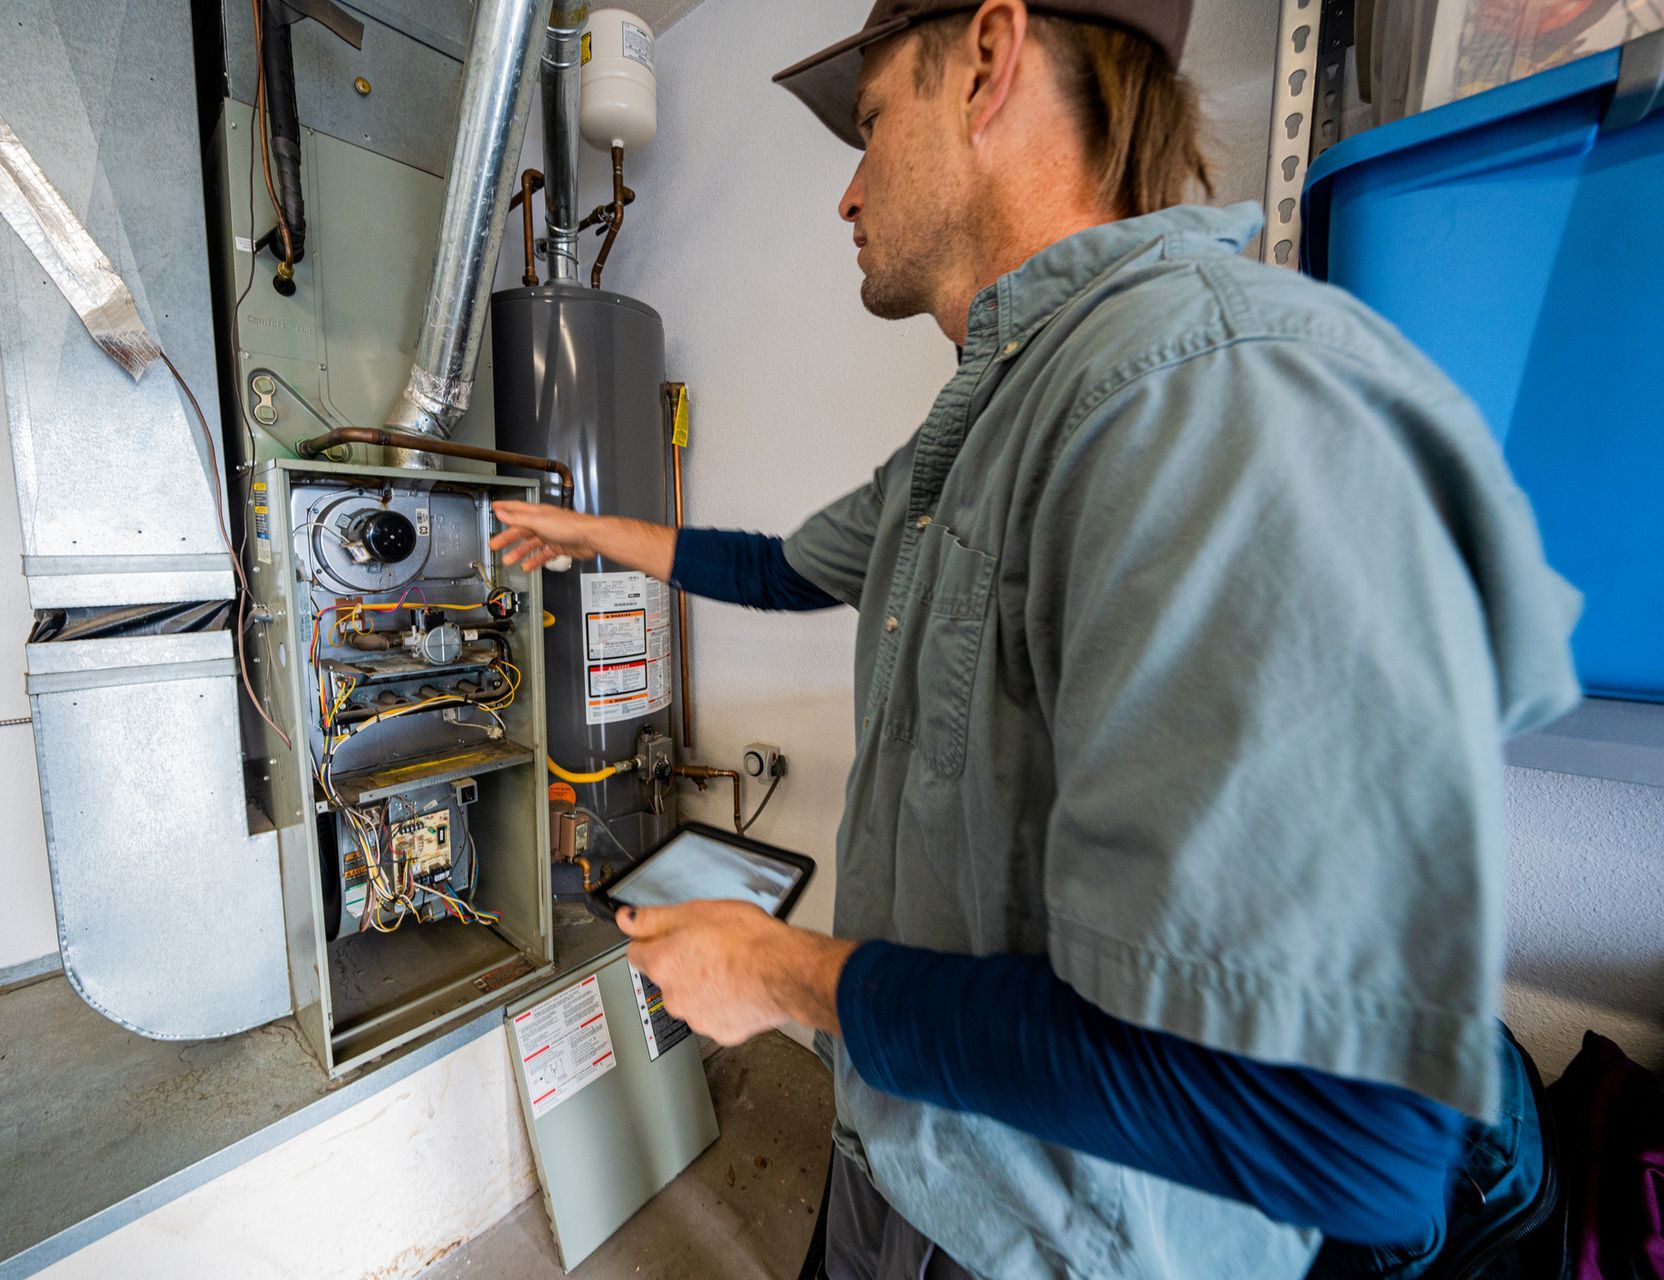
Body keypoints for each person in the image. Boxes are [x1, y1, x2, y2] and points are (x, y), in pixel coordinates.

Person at [491, 2, 1583, 1276]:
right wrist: (594, 536)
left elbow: (1339, 1130)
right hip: (894, 1152)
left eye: (871, 122)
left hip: (1055, 1238)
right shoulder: (973, 430)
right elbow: (783, 567)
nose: (846, 194)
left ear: (989, 64)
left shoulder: (1217, 398)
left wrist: (791, 977)